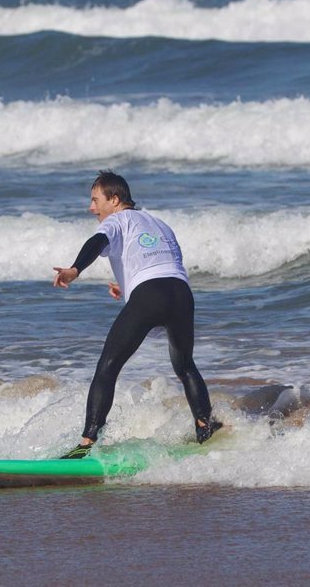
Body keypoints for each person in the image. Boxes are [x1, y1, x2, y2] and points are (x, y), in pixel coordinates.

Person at [52, 171, 222, 458]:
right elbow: (162, 263)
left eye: (95, 200)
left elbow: (96, 243)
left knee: (108, 365)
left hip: (150, 294)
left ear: (114, 200)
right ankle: (205, 426)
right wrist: (132, 288)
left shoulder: (117, 220)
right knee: (185, 366)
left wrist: (75, 269)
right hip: (181, 294)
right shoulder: (160, 223)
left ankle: (86, 445)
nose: (91, 208)